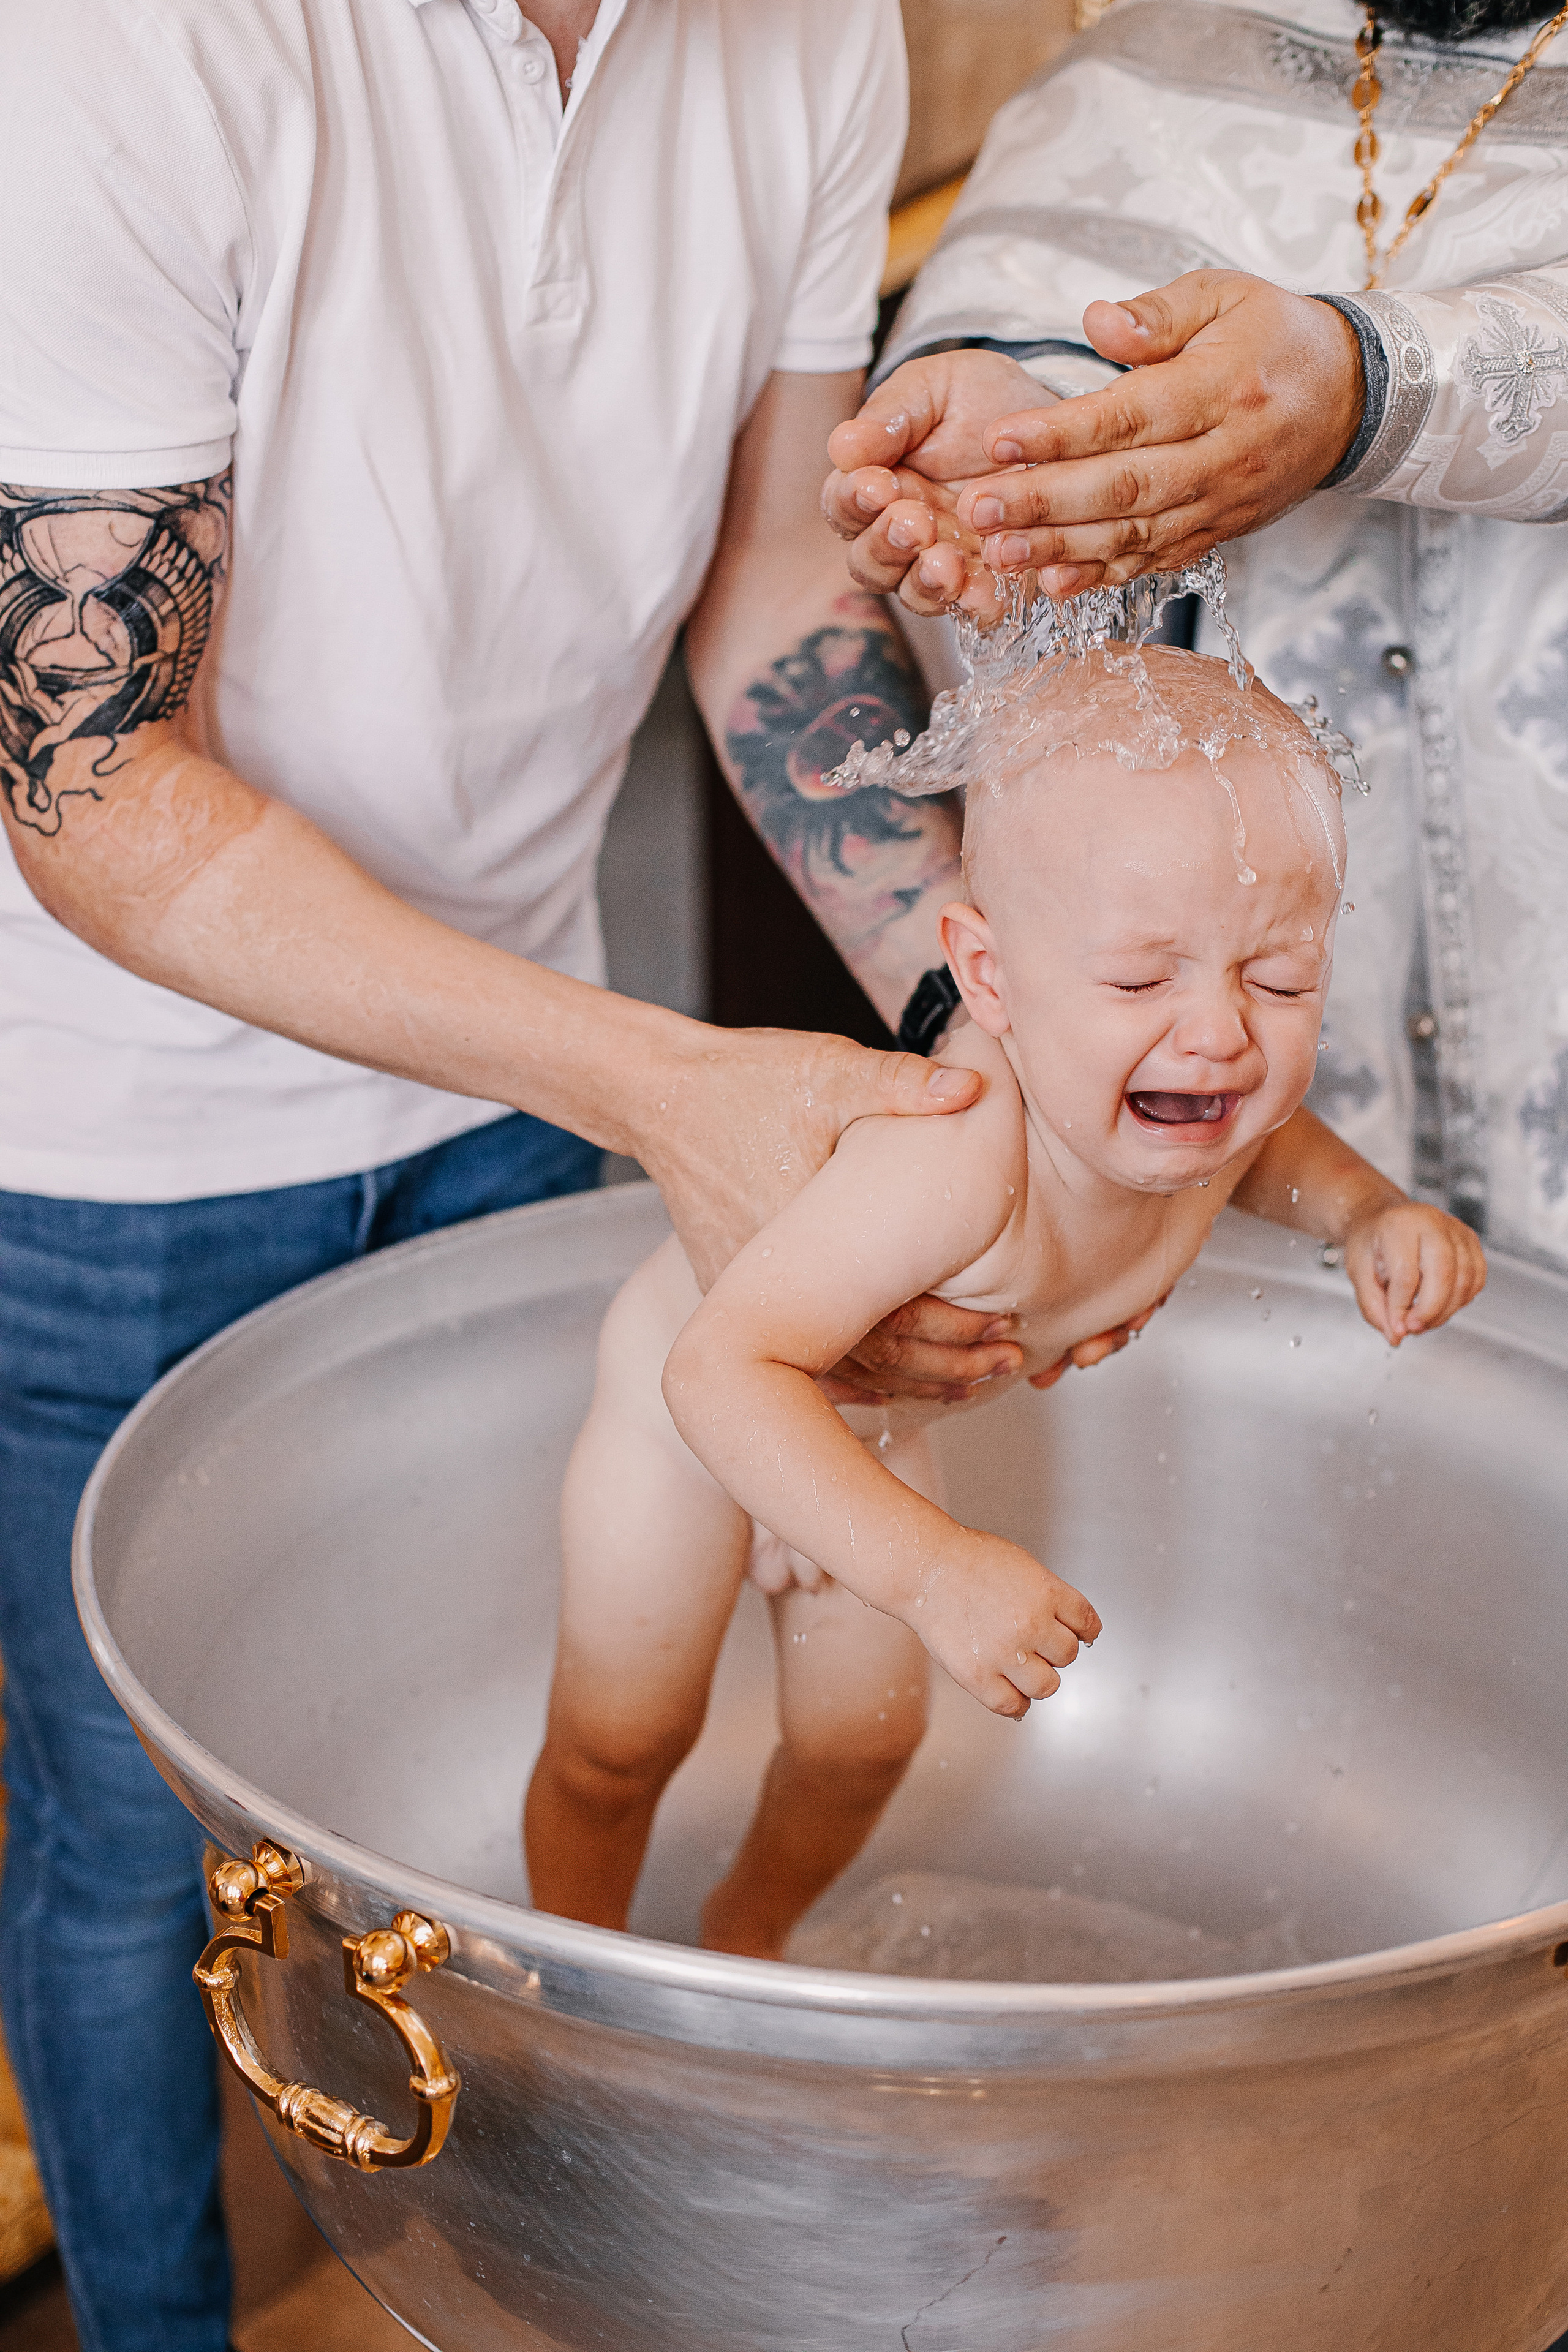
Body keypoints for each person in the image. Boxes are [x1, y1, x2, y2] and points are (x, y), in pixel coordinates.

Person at [0, 4, 1123, 2344]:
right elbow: (92, 777)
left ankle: (499, 2280)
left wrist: (990, 1032)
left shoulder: (812, 35)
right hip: (104, 1140)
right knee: (130, 1850)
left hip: (535, 1064)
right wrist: (663, 1087)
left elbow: (777, 605)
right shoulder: (121, 46)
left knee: (500, 1764)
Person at [523, 646, 1485, 1961]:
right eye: (1141, 981)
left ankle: (742, 1942)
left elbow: (1275, 1150)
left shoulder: (1199, 1104)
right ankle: (556, 1979)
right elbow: (720, 1371)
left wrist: (1369, 1211)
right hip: (701, 1408)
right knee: (621, 1739)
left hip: (857, 1430)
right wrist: (927, 1566)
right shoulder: (957, 1149)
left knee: (861, 1747)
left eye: (1278, 979)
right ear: (988, 980)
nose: (1218, 1035)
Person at [823, 0, 1568, 1275]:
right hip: (1256, 1120)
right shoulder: (1162, 50)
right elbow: (1036, 321)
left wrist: (1363, 388)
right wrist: (1018, 442)